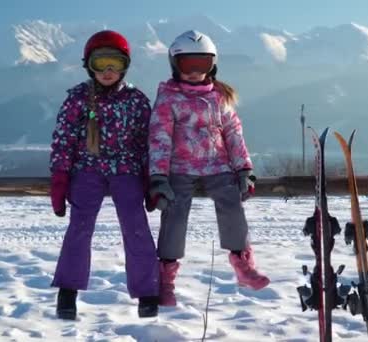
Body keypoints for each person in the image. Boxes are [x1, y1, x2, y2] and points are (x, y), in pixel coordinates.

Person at [148, 30, 270, 307]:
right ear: (174, 65)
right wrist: (158, 176)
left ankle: (243, 265)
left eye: (201, 65)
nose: (193, 72)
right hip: (180, 167)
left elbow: (233, 134)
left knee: (232, 204)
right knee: (174, 213)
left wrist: (244, 170)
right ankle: (165, 279)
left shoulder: (219, 97)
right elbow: (159, 137)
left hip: (218, 165)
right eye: (187, 65)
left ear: (212, 65)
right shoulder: (168, 98)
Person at [49, 30, 159, 319]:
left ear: (126, 66)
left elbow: (147, 142)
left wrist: (150, 178)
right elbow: (64, 139)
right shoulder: (78, 99)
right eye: (101, 63)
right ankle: (67, 291)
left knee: (136, 227)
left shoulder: (136, 101)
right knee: (79, 227)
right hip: (88, 169)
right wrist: (61, 177)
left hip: (126, 170)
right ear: (89, 65)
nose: (108, 71)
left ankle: (147, 293)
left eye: (115, 63)